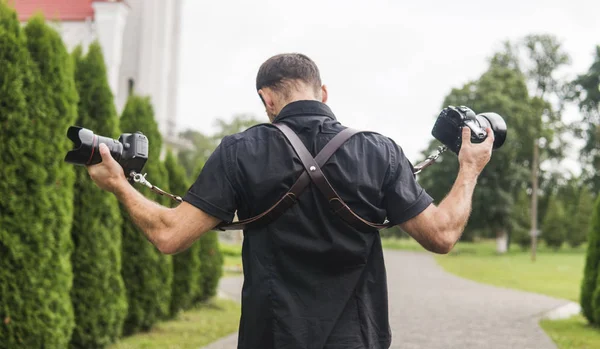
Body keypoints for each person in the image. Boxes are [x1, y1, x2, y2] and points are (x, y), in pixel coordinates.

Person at [87, 53, 494, 349]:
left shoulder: (239, 150)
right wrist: (470, 167)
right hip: (358, 338)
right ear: (324, 92)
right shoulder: (379, 152)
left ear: (267, 99)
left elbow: (169, 236)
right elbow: (442, 234)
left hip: (272, 338)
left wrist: (120, 184)